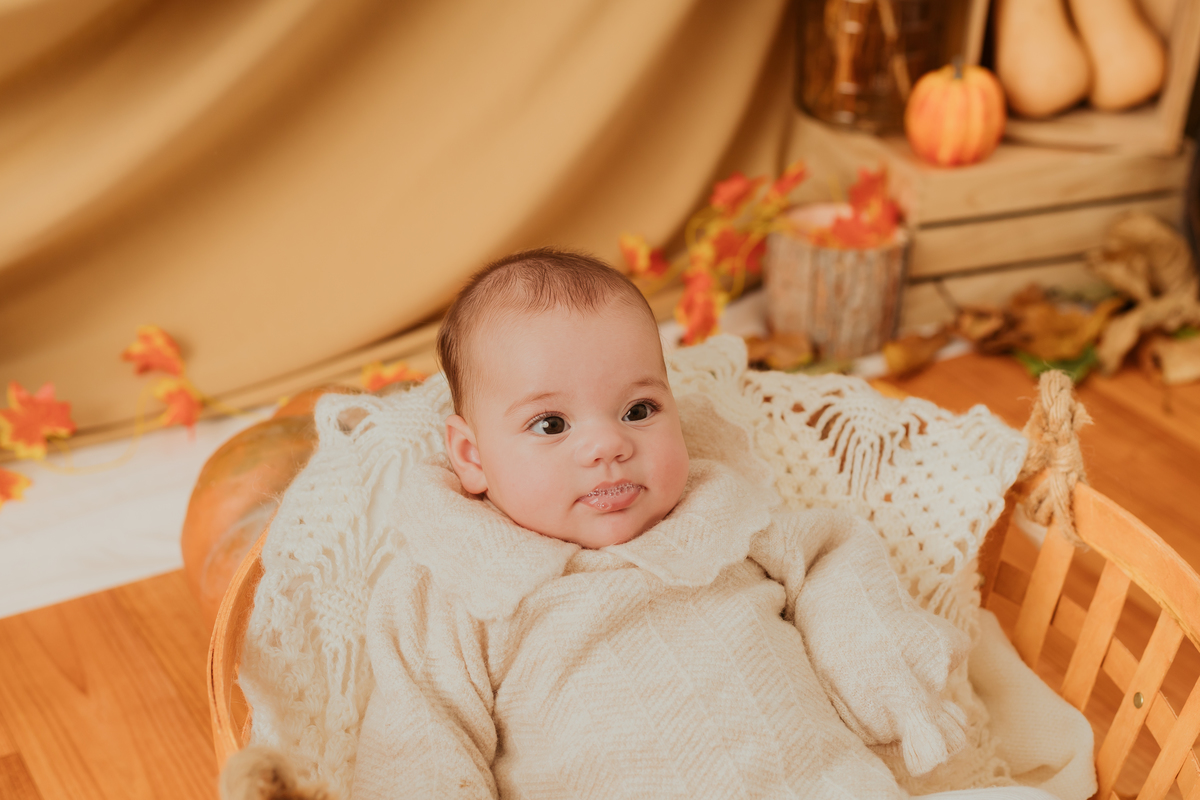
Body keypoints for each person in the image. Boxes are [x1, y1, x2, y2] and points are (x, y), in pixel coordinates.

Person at [349, 248, 1053, 800]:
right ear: (472, 456)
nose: (607, 445)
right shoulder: (458, 583)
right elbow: (419, 744)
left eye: (638, 410)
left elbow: (838, 559)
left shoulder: (727, 516)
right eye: (551, 424)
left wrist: (890, 686)